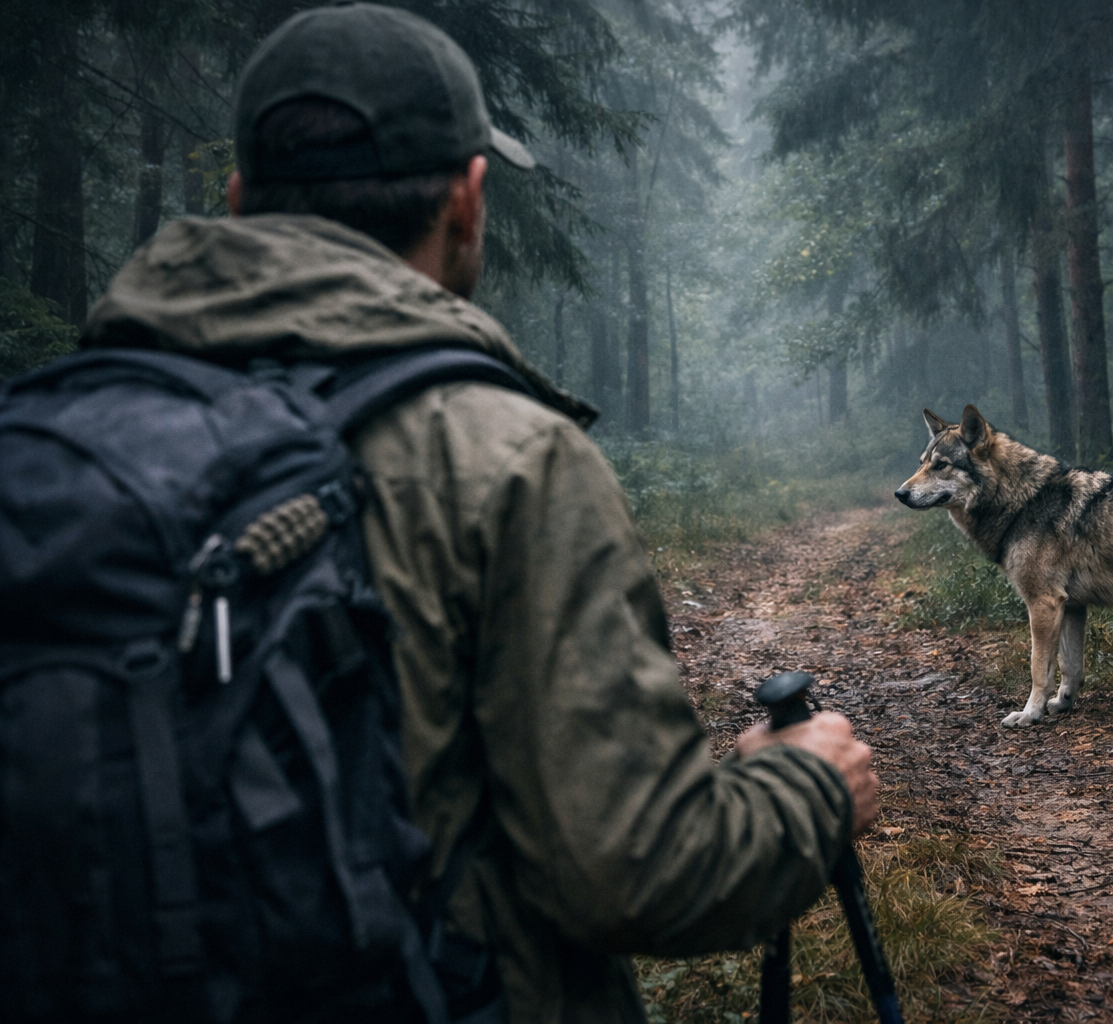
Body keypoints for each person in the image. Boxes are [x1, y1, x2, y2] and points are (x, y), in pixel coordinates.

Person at [81, 4, 879, 1021]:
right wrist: (807, 789)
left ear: (238, 202)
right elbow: (638, 869)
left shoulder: (59, 437)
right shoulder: (502, 457)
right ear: (468, 199)